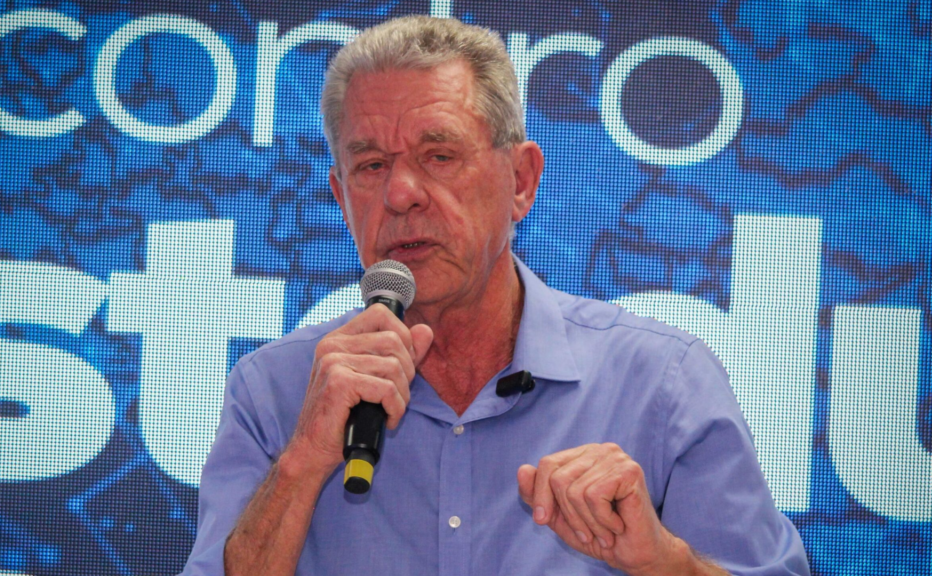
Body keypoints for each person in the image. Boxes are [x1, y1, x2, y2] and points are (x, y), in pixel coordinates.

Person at [181, 15, 810, 576]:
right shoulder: (274, 392)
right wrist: (302, 462)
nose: (400, 194)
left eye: (439, 155)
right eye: (370, 166)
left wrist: (662, 563)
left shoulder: (660, 384)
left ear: (521, 181)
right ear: (342, 198)